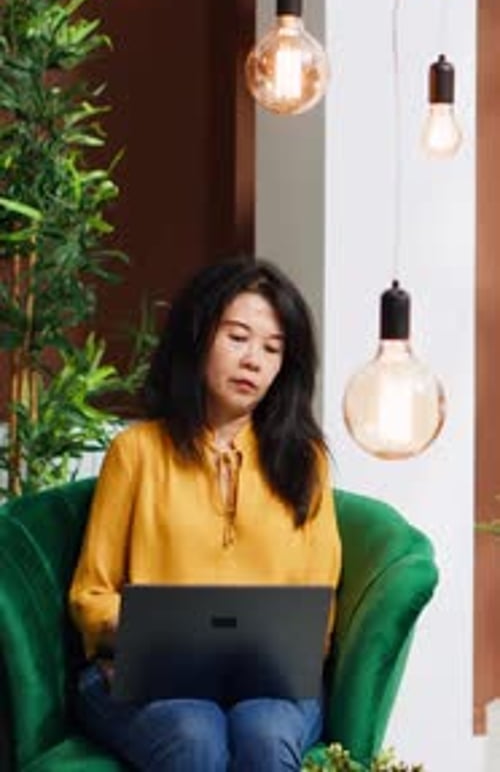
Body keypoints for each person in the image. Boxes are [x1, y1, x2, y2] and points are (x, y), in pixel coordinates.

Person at [69, 255, 342, 772]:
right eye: (237, 337)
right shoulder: (136, 452)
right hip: (145, 677)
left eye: (272, 348)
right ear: (198, 337)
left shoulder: (306, 461)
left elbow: (319, 607)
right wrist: (151, 635)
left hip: (270, 686)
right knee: (194, 735)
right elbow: (90, 598)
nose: (253, 360)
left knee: (264, 735)